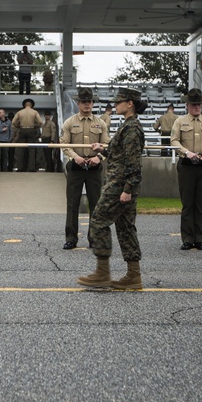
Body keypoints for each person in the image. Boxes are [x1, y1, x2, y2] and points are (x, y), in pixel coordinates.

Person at [77, 87, 147, 290]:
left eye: (119, 102)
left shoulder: (132, 129)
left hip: (119, 185)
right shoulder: (128, 126)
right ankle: (134, 276)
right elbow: (121, 156)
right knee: (125, 228)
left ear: (130, 104)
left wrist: (128, 189)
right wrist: (104, 150)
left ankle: (102, 272)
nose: (115, 105)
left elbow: (134, 164)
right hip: (122, 183)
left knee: (98, 221)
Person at [171, 88, 202, 251]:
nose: (197, 107)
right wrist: (186, 152)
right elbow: (174, 141)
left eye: (199, 104)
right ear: (187, 105)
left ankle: (200, 238)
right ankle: (187, 238)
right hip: (186, 165)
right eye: (193, 104)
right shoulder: (180, 121)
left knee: (201, 204)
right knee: (188, 203)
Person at [60, 88, 109, 249]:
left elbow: (107, 145)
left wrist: (99, 157)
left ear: (93, 103)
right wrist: (76, 157)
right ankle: (71, 238)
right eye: (84, 101)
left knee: (95, 204)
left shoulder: (100, 123)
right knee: (73, 203)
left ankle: (94, 239)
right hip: (76, 165)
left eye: (89, 101)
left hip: (94, 166)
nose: (87, 104)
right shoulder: (70, 122)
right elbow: (64, 144)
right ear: (78, 103)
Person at [12, 98, 43, 172]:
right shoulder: (34, 112)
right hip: (31, 130)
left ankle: (20, 168)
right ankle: (31, 168)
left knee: (21, 149)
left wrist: (18, 126)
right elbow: (40, 122)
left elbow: (13, 122)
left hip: (22, 130)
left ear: (24, 105)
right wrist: (36, 126)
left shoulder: (20, 112)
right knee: (32, 150)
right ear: (31, 105)